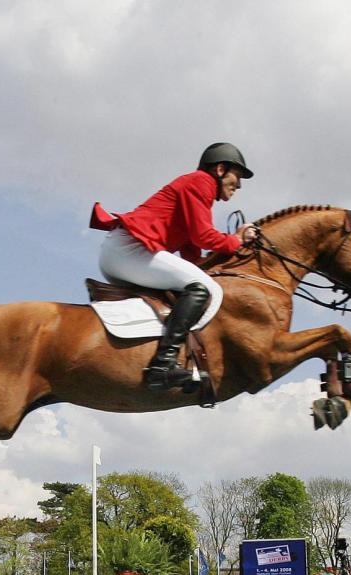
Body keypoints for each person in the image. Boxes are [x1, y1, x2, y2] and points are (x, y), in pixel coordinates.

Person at [90, 142, 258, 390]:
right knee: (203, 288)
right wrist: (236, 240)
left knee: (194, 285)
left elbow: (193, 255)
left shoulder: (201, 189)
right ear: (221, 169)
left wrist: (227, 257)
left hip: (126, 252)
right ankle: (162, 365)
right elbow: (203, 236)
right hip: (129, 250)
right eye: (237, 176)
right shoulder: (201, 182)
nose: (240, 185)